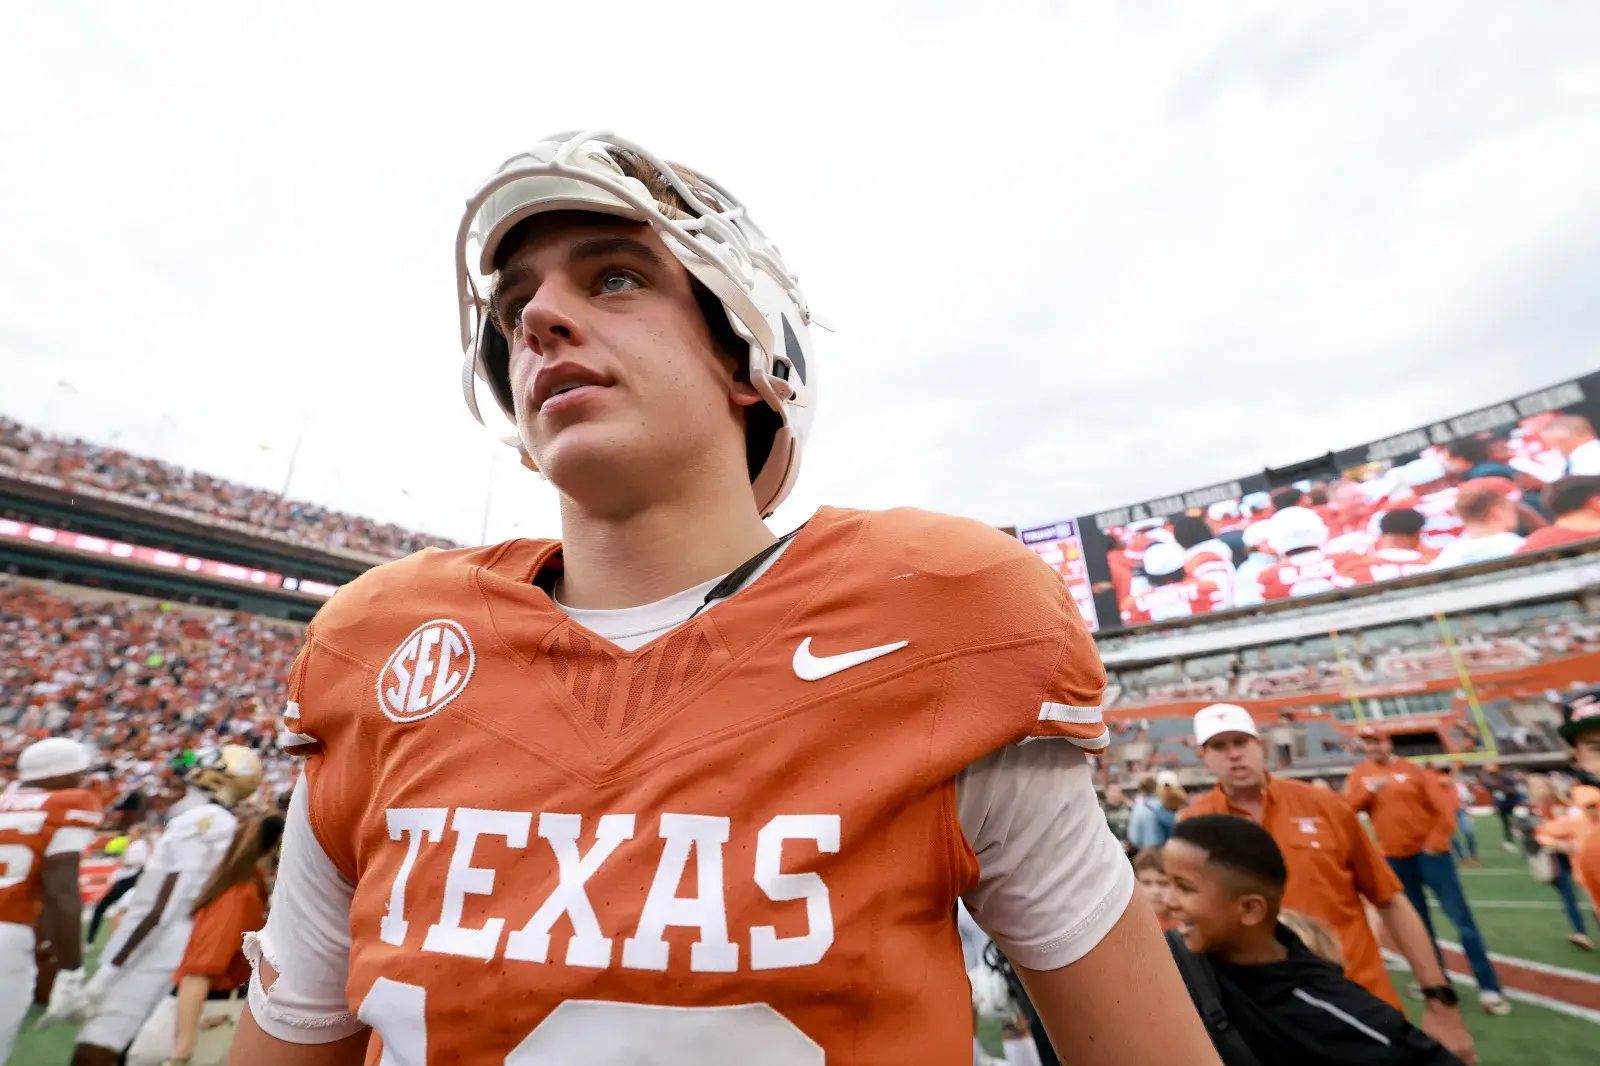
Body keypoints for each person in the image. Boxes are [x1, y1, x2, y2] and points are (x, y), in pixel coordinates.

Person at [227, 132, 1218, 1066]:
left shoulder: (938, 623)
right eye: (515, 302)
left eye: (615, 277)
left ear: (748, 355)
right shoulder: (384, 649)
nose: (535, 319)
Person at [1180, 704, 1476, 1063]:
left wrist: (1439, 999)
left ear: (1260, 745)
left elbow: (1389, 899)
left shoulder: (1324, 805)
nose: (1233, 754)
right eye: (1219, 746)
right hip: (1266, 1015)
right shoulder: (1193, 826)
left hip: (1357, 994)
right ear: (1204, 756)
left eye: (1240, 741)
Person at [1162, 814, 1468, 1066]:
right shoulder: (1169, 960)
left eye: (1184, 888)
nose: (1167, 901)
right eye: (1167, 883)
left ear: (1250, 909)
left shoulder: (1338, 1014)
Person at [70, 744, 264, 1066]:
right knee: (135, 1042)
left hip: (162, 942)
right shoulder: (218, 820)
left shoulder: (203, 819)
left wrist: (110, 970)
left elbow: (164, 905)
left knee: (103, 1039)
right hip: (179, 938)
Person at [1345, 731, 1508, 1014]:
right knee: (1418, 927)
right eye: (1368, 743)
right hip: (1395, 858)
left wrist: (1435, 844)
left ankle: (1488, 985)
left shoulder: (1413, 770)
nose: (1372, 747)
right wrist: (1369, 791)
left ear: (1388, 743)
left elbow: (1443, 809)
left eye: (1377, 741)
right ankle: (1437, 982)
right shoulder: (1361, 774)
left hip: (1430, 856)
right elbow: (1347, 810)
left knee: (1461, 919)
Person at [126, 814, 286, 1066]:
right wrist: (182, 1051)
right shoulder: (238, 897)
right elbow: (197, 975)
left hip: (215, 1007)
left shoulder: (245, 888)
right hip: (210, 1011)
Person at [0, 738, 103, 1060]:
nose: (84, 780)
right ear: (60, 775)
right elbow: (61, 890)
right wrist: (71, 970)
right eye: (80, 772)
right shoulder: (68, 803)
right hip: (8, 930)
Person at [1529, 781, 1597, 950]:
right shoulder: (1533, 809)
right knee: (1569, 895)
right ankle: (1579, 931)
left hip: (1581, 857)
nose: (1540, 789)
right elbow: (1539, 833)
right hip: (1559, 859)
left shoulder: (1565, 805)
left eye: (1542, 785)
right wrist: (1561, 844)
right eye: (1536, 786)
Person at [88, 822, 151, 942]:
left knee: (104, 907)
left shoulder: (139, 845)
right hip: (128, 878)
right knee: (120, 909)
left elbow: (139, 862)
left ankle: (93, 938)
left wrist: (122, 862)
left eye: (133, 830)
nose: (130, 832)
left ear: (139, 832)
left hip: (129, 879)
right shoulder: (135, 844)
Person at [1133, 847, 1177, 930]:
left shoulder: (1188, 926)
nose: (1155, 891)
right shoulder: (1130, 923)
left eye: (1163, 883)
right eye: (1146, 883)